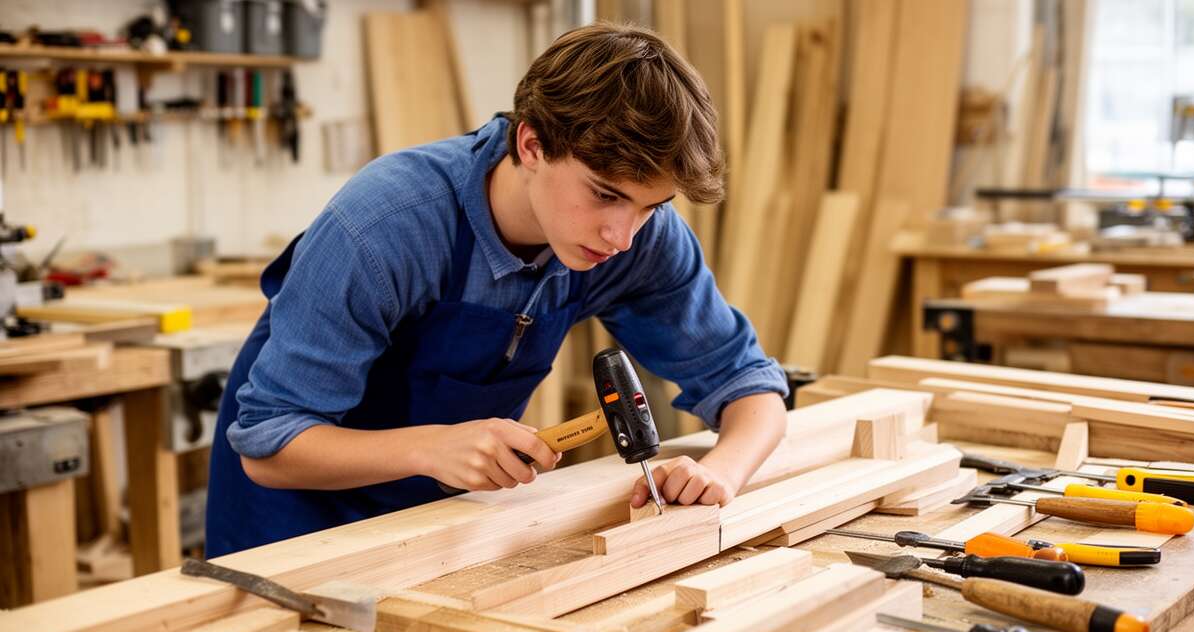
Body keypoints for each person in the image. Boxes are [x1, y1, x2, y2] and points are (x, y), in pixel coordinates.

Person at [205, 22, 788, 557]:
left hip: (438, 517)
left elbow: (749, 385)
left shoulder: (640, 239)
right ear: (531, 145)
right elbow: (269, 445)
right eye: (605, 194)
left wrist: (721, 472)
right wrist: (431, 448)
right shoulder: (386, 226)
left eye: (651, 206)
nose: (622, 237)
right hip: (295, 522)